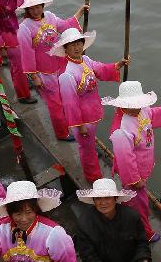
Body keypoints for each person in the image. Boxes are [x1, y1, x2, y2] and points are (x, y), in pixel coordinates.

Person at [104, 80, 161, 242]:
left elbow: (151, 115)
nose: (139, 106)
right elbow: (125, 159)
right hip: (133, 176)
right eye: (134, 104)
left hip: (142, 167)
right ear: (123, 104)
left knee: (137, 201)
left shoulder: (140, 110)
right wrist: (135, 180)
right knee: (138, 205)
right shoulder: (121, 130)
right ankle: (144, 233)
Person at [54, 27, 126, 182]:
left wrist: (117, 65)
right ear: (65, 48)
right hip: (83, 119)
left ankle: (92, 155)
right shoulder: (67, 74)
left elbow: (99, 69)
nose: (77, 47)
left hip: (93, 111)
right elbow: (70, 105)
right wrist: (79, 126)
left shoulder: (85, 60)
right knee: (86, 148)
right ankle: (93, 176)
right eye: (72, 44)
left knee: (89, 145)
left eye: (79, 43)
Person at [17, 0, 89, 140]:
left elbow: (66, 26)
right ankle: (62, 133)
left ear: (43, 6)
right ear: (27, 9)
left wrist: (79, 13)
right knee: (55, 104)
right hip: (45, 72)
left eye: (38, 6)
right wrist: (34, 76)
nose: (36, 10)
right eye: (32, 8)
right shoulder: (25, 27)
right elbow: (26, 53)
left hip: (61, 65)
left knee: (67, 97)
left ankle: (70, 122)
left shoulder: (50, 17)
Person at [75, 178, 160, 262]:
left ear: (115, 199)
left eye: (108, 198)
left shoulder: (131, 216)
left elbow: (142, 242)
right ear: (93, 201)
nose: (103, 202)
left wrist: (144, 259)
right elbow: (89, 258)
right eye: (98, 198)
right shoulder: (84, 224)